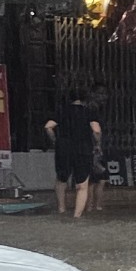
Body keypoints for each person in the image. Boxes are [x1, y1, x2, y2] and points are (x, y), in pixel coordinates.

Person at [45, 86, 102, 217]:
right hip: (83, 149)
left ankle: (61, 210)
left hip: (63, 149)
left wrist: (55, 141)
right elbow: (96, 130)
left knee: (62, 180)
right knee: (82, 185)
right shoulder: (89, 112)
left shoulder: (62, 111)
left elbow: (48, 127)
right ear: (85, 99)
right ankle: (77, 216)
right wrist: (97, 144)